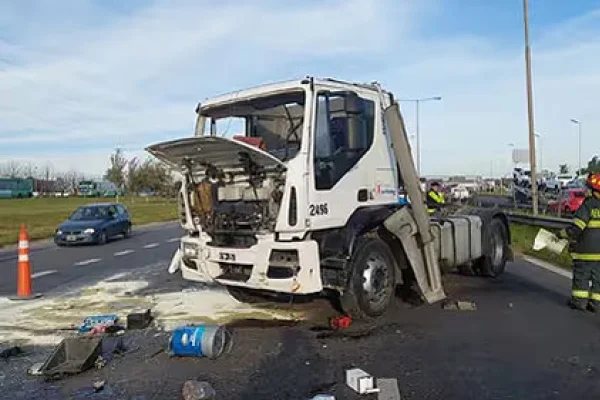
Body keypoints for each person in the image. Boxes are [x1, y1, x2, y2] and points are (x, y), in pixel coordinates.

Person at [560, 172, 600, 312]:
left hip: (586, 251)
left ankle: (579, 302)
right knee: (598, 279)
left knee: (582, 276)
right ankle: (596, 304)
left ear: (592, 189)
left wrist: (562, 234)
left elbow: (577, 228)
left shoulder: (588, 205)